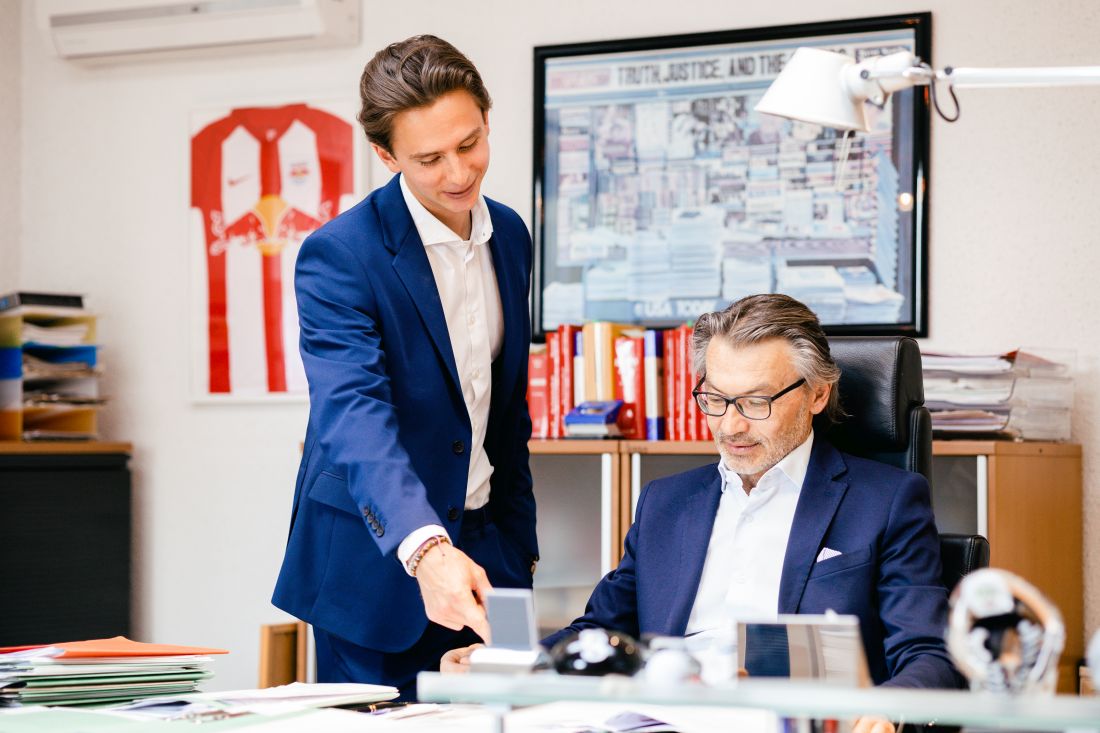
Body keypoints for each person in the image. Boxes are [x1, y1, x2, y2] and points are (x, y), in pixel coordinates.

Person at [445, 294, 962, 731]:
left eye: (756, 402)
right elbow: (601, 628)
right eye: (715, 398)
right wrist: (510, 663)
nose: (730, 426)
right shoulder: (666, 502)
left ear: (817, 395)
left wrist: (886, 711)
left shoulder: (886, 500)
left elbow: (928, 655)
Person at [272, 35, 538, 699]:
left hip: (490, 552)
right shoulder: (341, 254)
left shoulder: (510, 235)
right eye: (429, 158)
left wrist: (518, 548)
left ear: (486, 119)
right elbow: (353, 413)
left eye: (470, 143)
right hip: (375, 566)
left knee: (505, 717)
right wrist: (425, 548)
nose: (458, 172)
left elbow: (504, 409)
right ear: (386, 155)